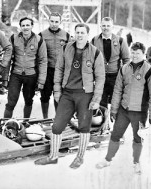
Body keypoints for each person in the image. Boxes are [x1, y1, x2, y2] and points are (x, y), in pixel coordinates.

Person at [35, 23, 105, 168]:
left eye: (82, 33)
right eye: (77, 32)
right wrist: (57, 90)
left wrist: (96, 99)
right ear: (74, 34)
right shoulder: (66, 48)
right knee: (57, 126)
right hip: (67, 93)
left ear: (87, 35)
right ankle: (53, 156)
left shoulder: (95, 52)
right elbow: (59, 69)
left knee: (84, 127)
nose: (79, 35)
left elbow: (100, 77)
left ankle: (80, 157)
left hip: (85, 94)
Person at [96, 42, 151, 174]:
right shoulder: (124, 68)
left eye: (138, 53)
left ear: (144, 54)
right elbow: (117, 90)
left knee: (138, 138)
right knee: (115, 135)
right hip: (124, 111)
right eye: (133, 52)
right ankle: (108, 159)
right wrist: (114, 109)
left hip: (140, 113)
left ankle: (136, 163)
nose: (135, 55)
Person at [3, 17, 47, 119]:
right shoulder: (14, 38)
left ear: (32, 26)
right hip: (16, 75)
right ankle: (5, 123)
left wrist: (41, 81)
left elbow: (43, 61)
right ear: (20, 27)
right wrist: (5, 78)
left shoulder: (39, 40)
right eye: (23, 25)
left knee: (28, 101)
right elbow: (7, 58)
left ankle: (25, 122)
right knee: (11, 102)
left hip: (31, 75)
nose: (25, 27)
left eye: (28, 25)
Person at [91, 17, 130, 111]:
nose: (106, 28)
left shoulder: (120, 41)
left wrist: (125, 75)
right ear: (100, 26)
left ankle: (116, 123)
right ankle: (104, 123)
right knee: (101, 103)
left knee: (116, 102)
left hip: (115, 77)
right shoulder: (94, 40)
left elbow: (126, 59)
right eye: (104, 25)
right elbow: (90, 59)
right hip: (100, 77)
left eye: (108, 26)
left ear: (112, 27)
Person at [38, 12, 71, 118]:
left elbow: (71, 53)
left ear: (60, 22)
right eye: (52, 21)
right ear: (49, 21)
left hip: (60, 71)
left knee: (59, 95)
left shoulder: (66, 35)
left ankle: (58, 118)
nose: (54, 24)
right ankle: (45, 118)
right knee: (45, 95)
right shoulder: (42, 35)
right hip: (47, 70)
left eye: (56, 21)